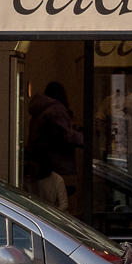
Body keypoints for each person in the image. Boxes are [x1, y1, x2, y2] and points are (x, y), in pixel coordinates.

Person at [26, 80, 83, 211]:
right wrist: (81, 137)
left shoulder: (40, 110)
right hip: (53, 160)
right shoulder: (55, 110)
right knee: (56, 198)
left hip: (40, 157)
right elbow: (63, 135)